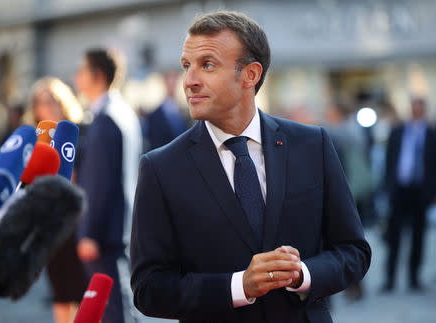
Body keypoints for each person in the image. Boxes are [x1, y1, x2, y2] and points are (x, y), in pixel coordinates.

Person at [130, 11, 371, 323]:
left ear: (250, 74)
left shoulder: (312, 145)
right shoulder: (160, 168)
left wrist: (302, 275)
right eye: (186, 66)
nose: (189, 80)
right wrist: (238, 286)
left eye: (207, 65)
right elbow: (149, 289)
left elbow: (354, 251)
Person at [74, 49, 142, 323]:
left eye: (81, 70)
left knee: (114, 310)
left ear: (98, 76)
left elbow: (98, 181)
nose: (76, 77)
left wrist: (89, 231)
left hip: (103, 233)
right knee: (117, 306)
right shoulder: (121, 112)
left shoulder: (106, 119)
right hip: (118, 226)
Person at [26, 76, 86, 323]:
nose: (47, 106)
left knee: (85, 291)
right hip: (50, 226)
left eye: (52, 100)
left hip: (80, 223)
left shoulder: (81, 134)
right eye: (41, 101)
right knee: (60, 291)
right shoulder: (33, 141)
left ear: (63, 102)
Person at [382, 97, 436, 292]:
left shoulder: (434, 135)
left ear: (424, 109)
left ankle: (414, 278)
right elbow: (389, 162)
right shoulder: (398, 132)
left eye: (419, 107)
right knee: (394, 236)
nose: (416, 110)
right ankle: (389, 279)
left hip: (421, 191)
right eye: (413, 107)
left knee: (418, 236)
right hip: (400, 190)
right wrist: (387, 187)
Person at [142, 70, 190, 152]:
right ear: (165, 84)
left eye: (174, 83)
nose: (172, 86)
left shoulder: (185, 112)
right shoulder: (154, 115)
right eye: (170, 83)